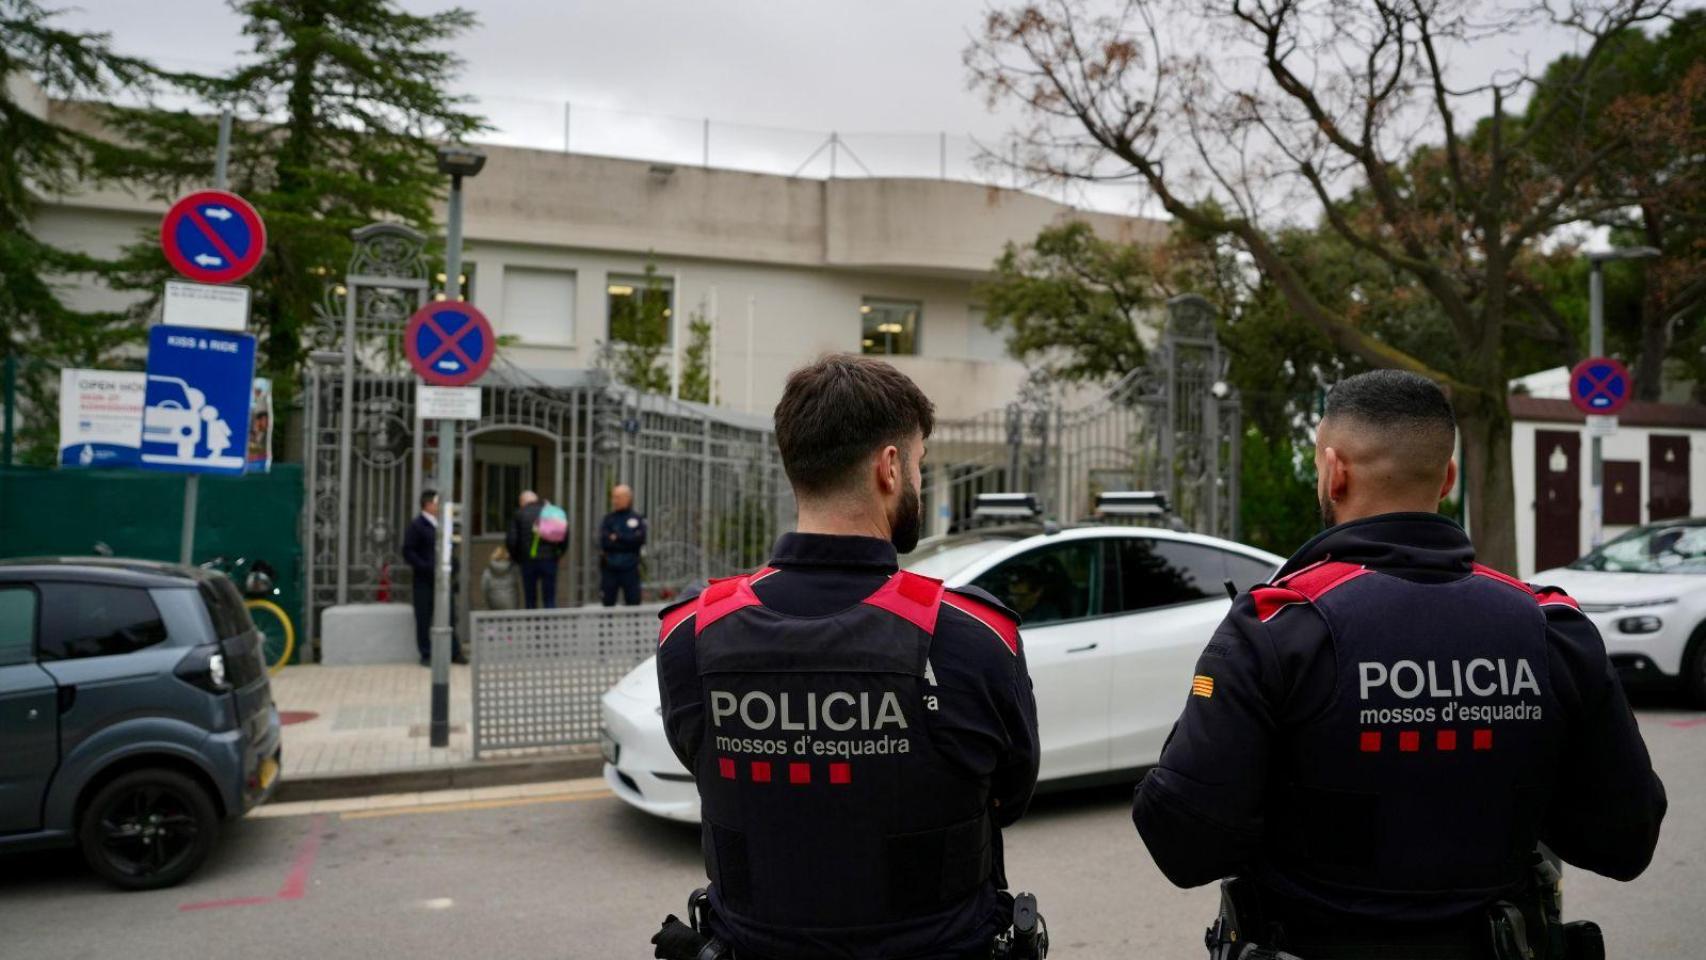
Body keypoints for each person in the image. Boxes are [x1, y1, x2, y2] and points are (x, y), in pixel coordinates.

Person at [1132, 370, 1667, 958]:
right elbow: (1625, 838)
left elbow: (1184, 844)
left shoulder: (1277, 629)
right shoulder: (1550, 628)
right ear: (1449, 478)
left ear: (1335, 471)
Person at [655, 354, 1041, 960]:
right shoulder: (974, 635)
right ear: (889, 467)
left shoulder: (690, 634)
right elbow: (1009, 797)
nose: (919, 479)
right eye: (918, 463)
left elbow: (698, 759)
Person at [401, 489, 466, 666]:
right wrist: (424, 567)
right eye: (437, 503)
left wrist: (454, 565)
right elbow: (408, 551)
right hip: (424, 580)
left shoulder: (443, 524)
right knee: (424, 617)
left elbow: (450, 548)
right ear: (428, 505)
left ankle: (455, 652)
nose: (439, 507)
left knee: (450, 616)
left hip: (444, 580)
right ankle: (426, 654)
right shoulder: (417, 525)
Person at [506, 490, 562, 609]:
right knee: (549, 598)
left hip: (528, 561)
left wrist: (518, 558)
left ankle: (532, 625)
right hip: (549, 560)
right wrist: (557, 554)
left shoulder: (519, 514)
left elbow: (511, 540)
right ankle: (550, 625)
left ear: (522, 502)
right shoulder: (550, 512)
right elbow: (564, 535)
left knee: (530, 599)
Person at [598, 484, 646, 606]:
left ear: (628, 498)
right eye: (613, 497)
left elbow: (638, 540)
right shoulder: (608, 519)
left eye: (618, 497)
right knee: (607, 603)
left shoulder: (636, 518)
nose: (614, 501)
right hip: (610, 567)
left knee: (633, 602)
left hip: (630, 567)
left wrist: (617, 537)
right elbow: (605, 542)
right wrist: (626, 539)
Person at [481, 545, 520, 611]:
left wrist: (486, 603)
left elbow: (484, 589)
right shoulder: (513, 570)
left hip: (494, 604)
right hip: (511, 604)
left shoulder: (487, 571)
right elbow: (516, 587)